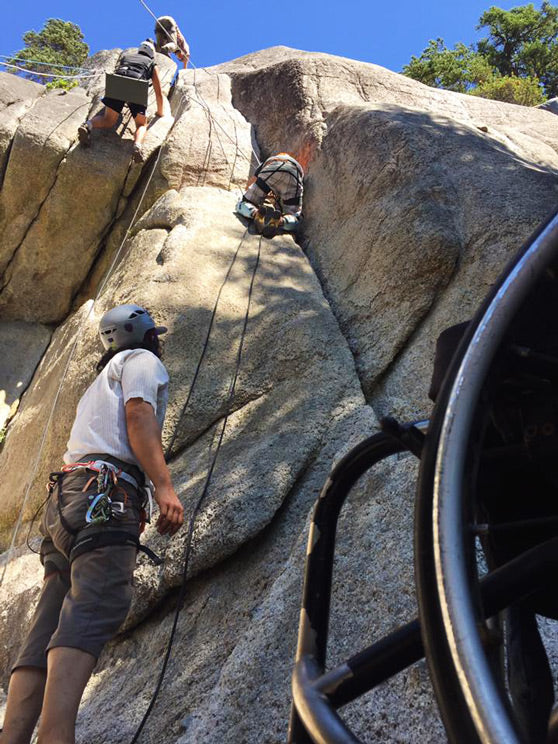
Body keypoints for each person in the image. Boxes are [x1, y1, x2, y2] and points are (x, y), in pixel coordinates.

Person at [0, 304, 184, 744]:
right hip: (107, 494)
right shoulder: (143, 361)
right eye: (153, 334)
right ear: (143, 335)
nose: (159, 341)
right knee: (98, 601)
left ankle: (12, 736)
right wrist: (164, 486)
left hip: (66, 501)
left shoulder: (97, 385)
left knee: (50, 617)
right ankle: (56, 737)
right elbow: (139, 416)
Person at [78, 40, 165, 164]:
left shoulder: (126, 57)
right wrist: (160, 112)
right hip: (136, 86)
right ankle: (137, 145)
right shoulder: (152, 63)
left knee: (108, 120)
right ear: (151, 53)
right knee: (141, 124)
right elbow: (158, 92)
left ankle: (88, 125)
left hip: (117, 82)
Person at [235, 152, 305, 237]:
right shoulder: (297, 165)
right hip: (295, 176)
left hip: (272, 169)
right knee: (294, 216)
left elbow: (252, 183)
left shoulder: (272, 159)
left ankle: (255, 213)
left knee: (244, 203)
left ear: (279, 155)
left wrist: (252, 197)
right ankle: (281, 221)